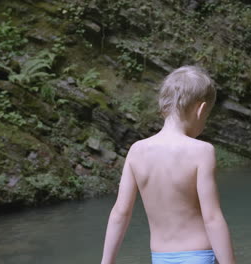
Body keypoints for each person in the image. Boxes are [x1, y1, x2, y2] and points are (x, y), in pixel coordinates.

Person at [100, 65, 236, 264]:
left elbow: (120, 213)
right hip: (199, 255)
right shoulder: (202, 151)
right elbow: (212, 219)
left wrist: (106, 262)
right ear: (200, 110)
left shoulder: (137, 151)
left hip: (161, 258)